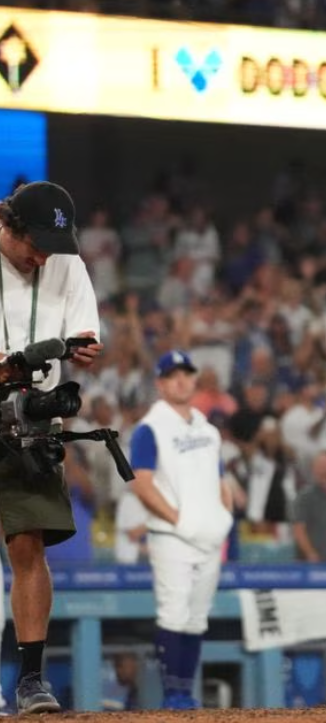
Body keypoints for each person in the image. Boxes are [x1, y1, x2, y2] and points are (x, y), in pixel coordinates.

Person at [0, 181, 103, 714]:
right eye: (33, 244)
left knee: (28, 545)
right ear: (9, 227)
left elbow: (85, 335)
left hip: (31, 419)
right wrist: (13, 365)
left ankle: (31, 681)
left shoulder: (65, 261)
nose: (43, 256)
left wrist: (75, 348)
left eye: (52, 245)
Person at [130, 350, 234, 710]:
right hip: (172, 536)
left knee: (196, 617)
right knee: (173, 612)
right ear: (160, 383)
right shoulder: (150, 427)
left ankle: (185, 692)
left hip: (207, 536)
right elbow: (141, 484)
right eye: (172, 375)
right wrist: (180, 520)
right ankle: (173, 696)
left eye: (186, 374)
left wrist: (224, 516)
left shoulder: (207, 428)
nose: (181, 380)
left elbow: (220, 478)